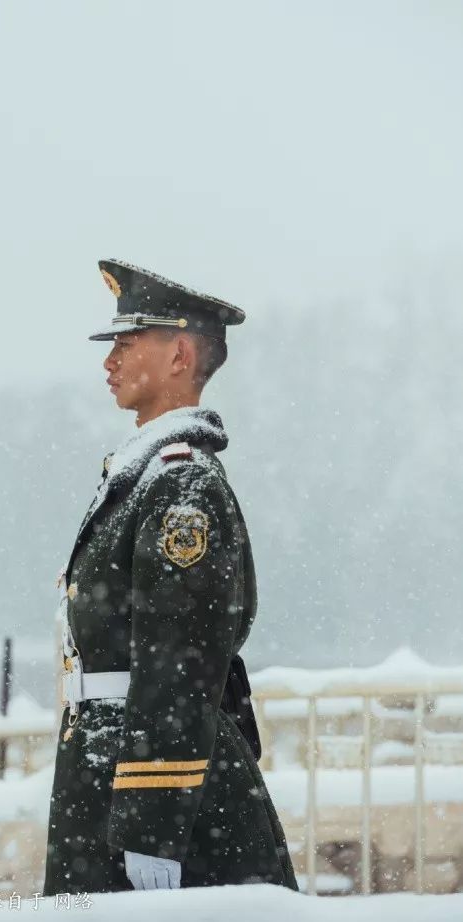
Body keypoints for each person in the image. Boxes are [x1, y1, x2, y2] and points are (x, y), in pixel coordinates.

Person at [42, 259, 299, 895]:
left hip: (148, 784)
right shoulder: (144, 479)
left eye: (127, 344)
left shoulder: (179, 482)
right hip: (111, 764)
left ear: (180, 354)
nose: (110, 361)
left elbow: (179, 663)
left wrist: (151, 829)